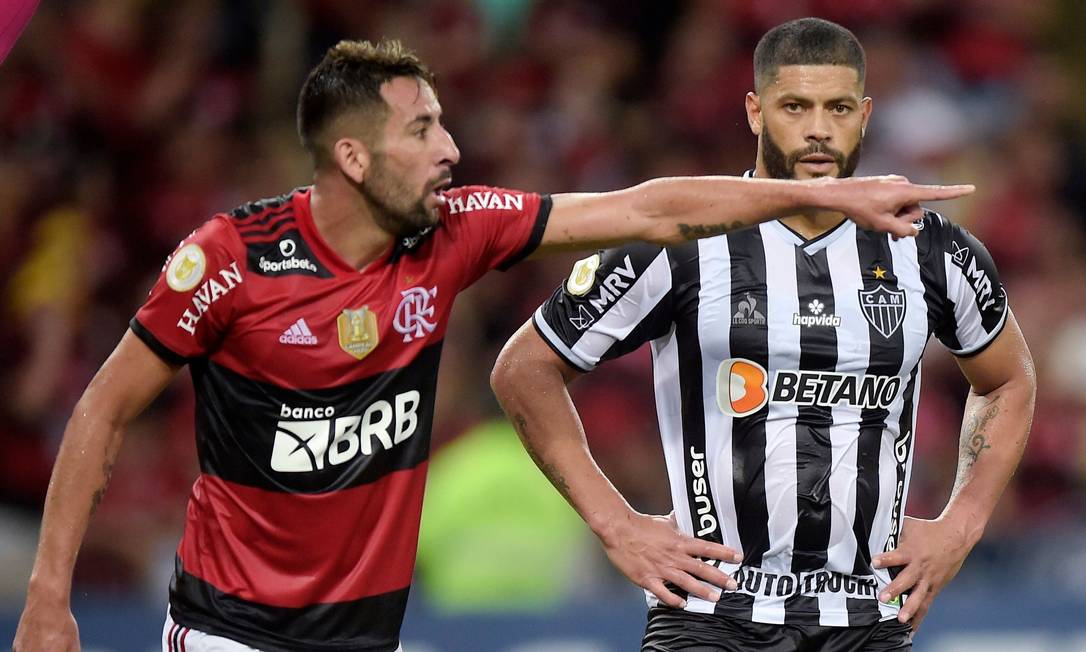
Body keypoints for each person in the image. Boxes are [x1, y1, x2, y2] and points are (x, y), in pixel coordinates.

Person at [13, 37, 973, 652]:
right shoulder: (230, 259)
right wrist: (50, 597)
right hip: (232, 630)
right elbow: (100, 408)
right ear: (355, 156)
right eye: (423, 129)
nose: (451, 150)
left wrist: (825, 195)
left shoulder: (457, 232)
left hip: (367, 636)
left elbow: (650, 210)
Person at [492, 17, 1035, 652]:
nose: (817, 129)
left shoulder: (933, 251)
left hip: (868, 618)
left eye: (837, 108)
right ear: (754, 111)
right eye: (794, 106)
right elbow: (524, 368)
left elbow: (1008, 380)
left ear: (864, 114)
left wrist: (959, 527)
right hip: (711, 618)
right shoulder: (685, 240)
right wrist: (616, 524)